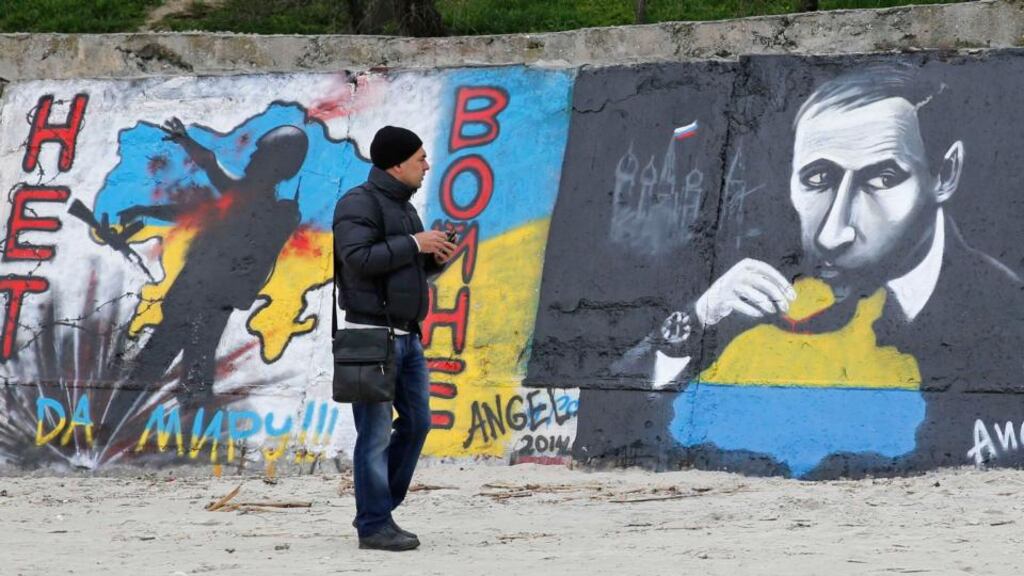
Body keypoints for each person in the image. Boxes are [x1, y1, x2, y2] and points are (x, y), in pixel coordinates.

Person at [613, 64, 1024, 468]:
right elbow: (608, 415)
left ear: (945, 174)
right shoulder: (757, 284)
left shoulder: (1004, 307)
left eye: (882, 179)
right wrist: (698, 318)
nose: (832, 234)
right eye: (817, 179)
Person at [118, 119, 307, 403]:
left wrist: (185, 141)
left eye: (260, 153)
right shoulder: (255, 203)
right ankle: (187, 419)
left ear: (275, 164)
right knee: (191, 374)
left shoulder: (260, 205)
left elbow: (210, 168)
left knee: (155, 370)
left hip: (202, 301)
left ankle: (116, 421)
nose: (252, 156)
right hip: (205, 301)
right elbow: (201, 199)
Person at [333, 126, 456, 551]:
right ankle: (373, 524)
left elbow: (401, 268)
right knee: (375, 435)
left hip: (407, 337)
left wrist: (433, 259)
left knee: (418, 423)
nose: (427, 165)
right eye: (420, 158)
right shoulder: (357, 203)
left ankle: (378, 508)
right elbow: (357, 259)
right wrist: (414, 243)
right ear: (397, 164)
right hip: (370, 338)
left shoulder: (403, 208)